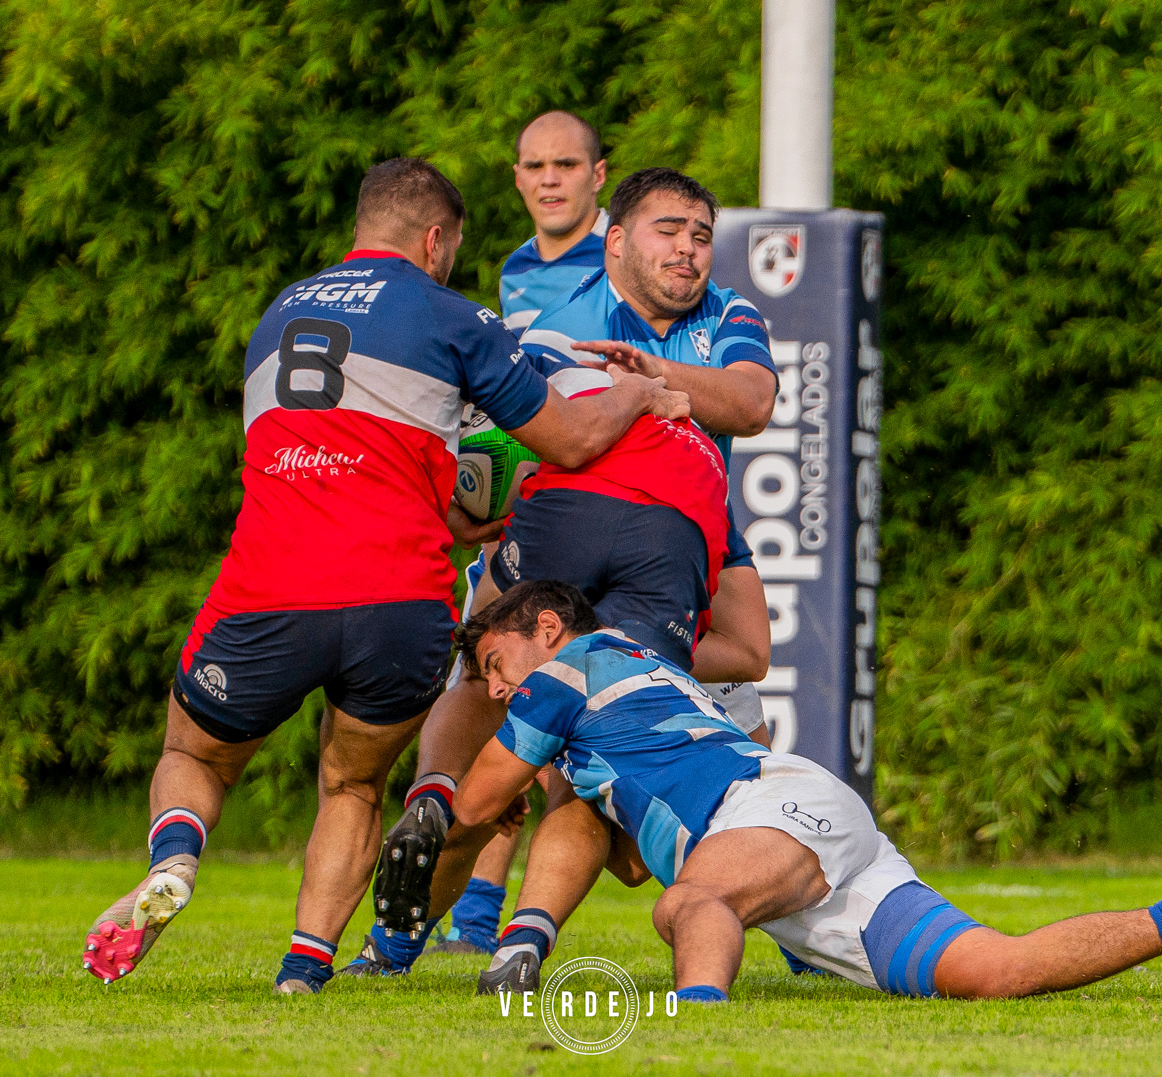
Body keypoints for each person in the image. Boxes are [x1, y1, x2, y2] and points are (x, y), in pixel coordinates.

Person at [77, 158, 686, 995]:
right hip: (400, 600)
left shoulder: (278, 312)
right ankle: (303, 969)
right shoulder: (453, 316)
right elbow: (570, 439)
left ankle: (175, 859)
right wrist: (640, 393)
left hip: (269, 584)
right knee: (354, 782)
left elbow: (321, 454)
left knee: (197, 754)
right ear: (436, 239)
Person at [430, 580, 1162, 1000]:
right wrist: (568, 786)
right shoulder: (623, 674)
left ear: (545, 629)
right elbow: (631, 865)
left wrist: (461, 792)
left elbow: (471, 807)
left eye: (496, 665)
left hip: (767, 812)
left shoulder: (574, 665)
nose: (498, 689)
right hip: (800, 840)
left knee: (692, 903)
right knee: (996, 973)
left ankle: (691, 1027)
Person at [339, 168, 774, 979]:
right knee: (547, 748)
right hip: (640, 513)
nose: (689, 249)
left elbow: (749, 404)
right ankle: (479, 929)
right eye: (669, 231)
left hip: (682, 517)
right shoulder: (556, 317)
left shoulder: (729, 311)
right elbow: (501, 431)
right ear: (615, 241)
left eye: (702, 236)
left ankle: (433, 825)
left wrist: (649, 381)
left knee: (502, 680)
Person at [497, 111, 609, 335]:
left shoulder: (630, 255)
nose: (549, 180)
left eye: (566, 165)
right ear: (518, 179)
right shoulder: (514, 271)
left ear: (598, 176)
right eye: (534, 167)